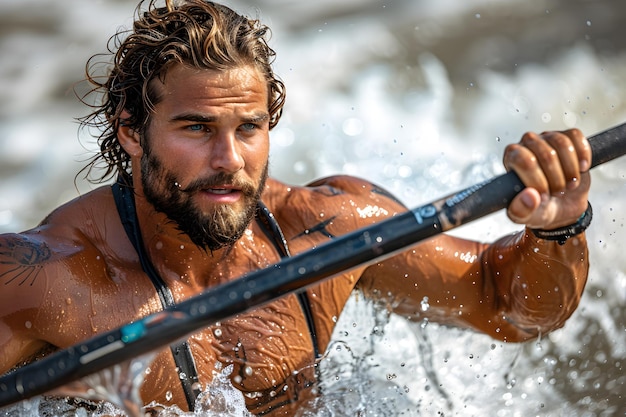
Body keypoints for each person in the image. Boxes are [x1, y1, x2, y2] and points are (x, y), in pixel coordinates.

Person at [0, 0, 593, 415]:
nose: (229, 158)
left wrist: (558, 227)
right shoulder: (45, 282)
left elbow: (506, 307)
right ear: (131, 129)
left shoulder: (327, 230)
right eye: (196, 128)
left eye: (248, 127)